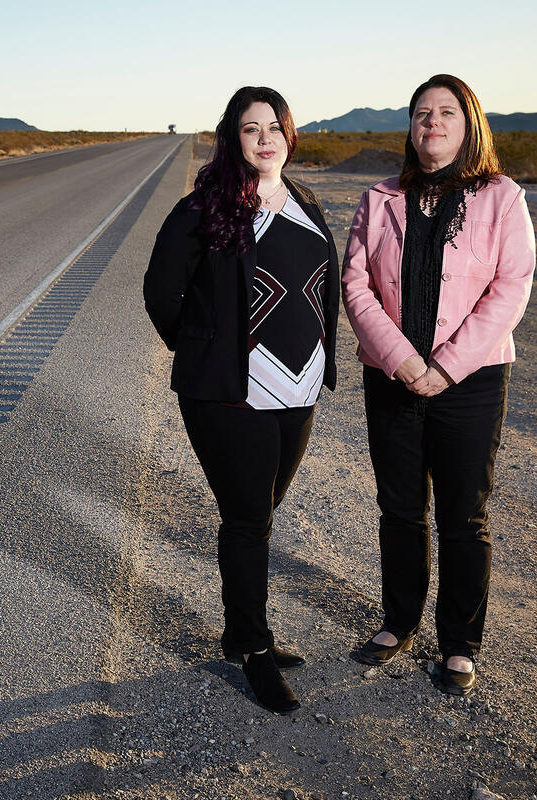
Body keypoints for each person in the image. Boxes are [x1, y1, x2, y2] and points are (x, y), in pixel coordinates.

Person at [144, 87, 340, 713]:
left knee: (259, 512)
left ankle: (240, 631)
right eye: (251, 128)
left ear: (290, 134)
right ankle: (254, 648)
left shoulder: (305, 201)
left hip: (299, 388)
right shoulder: (203, 208)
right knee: (249, 518)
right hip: (230, 395)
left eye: (274, 127)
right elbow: (161, 292)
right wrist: (207, 350)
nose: (264, 138)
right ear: (232, 137)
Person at [341, 74, 536, 695]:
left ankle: (458, 643)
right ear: (411, 127)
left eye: (447, 112)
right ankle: (399, 623)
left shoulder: (502, 198)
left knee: (463, 515)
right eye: (422, 112)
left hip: (471, 380)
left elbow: (511, 288)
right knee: (400, 508)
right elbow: (355, 284)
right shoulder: (380, 199)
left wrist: (445, 367)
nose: (433, 122)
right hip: (392, 376)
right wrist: (401, 359)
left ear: (469, 123)